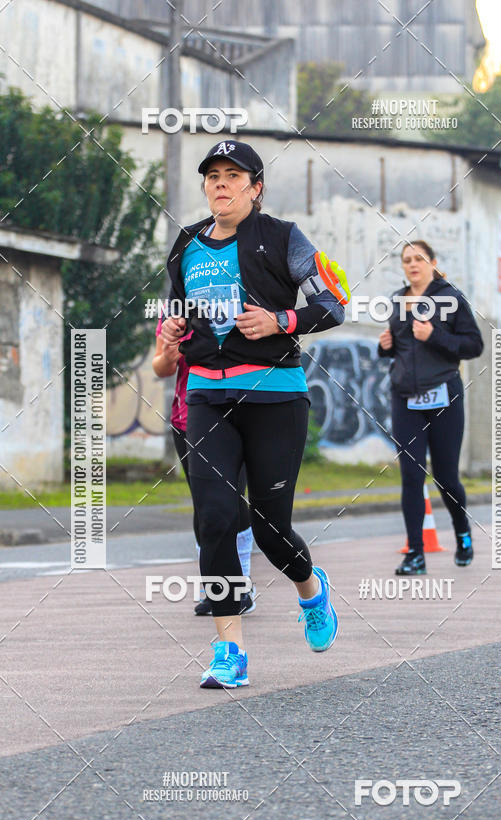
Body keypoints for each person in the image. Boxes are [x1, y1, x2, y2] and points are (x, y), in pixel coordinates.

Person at [160, 139, 350, 688]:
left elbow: (335, 303)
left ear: (256, 187)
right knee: (215, 518)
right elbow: (179, 311)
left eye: (233, 175)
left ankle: (311, 590)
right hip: (207, 397)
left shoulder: (284, 239)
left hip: (275, 396)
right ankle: (229, 649)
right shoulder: (185, 244)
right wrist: (175, 329)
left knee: (271, 529)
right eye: (212, 175)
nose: (220, 184)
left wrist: (281, 321)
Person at [378, 240, 484, 575]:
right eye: (406, 260)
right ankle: (416, 554)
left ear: (433, 263)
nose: (412, 265)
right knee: (411, 475)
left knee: (446, 477)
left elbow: (473, 345)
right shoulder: (398, 301)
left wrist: (434, 335)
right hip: (405, 397)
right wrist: (384, 347)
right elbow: (399, 350)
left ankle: (462, 532)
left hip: (443, 395)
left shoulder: (450, 298)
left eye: (419, 259)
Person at [152, 321, 256, 615]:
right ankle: (214, 587)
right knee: (205, 504)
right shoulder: (175, 311)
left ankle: (242, 584)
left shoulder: (235, 291)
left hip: (234, 414)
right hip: (187, 419)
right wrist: (168, 357)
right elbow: (160, 366)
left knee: (234, 499)